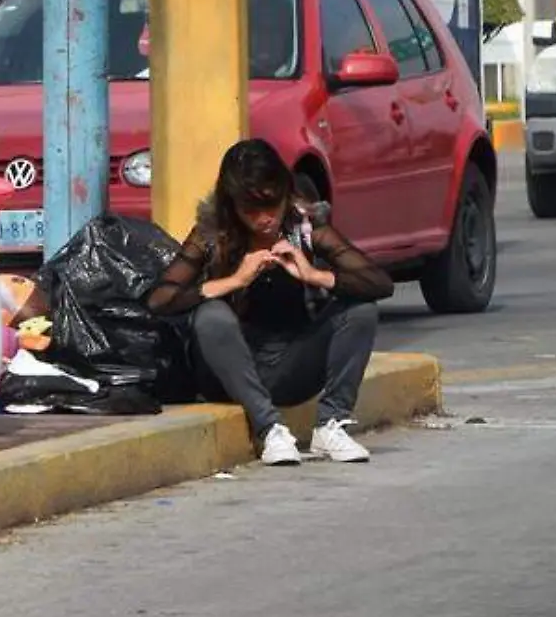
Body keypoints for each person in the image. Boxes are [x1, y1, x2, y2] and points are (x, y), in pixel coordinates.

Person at [146, 139, 392, 466]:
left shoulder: (303, 227)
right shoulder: (212, 234)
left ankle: (331, 424)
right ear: (232, 207)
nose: (265, 219)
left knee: (360, 308)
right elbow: (158, 300)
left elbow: (380, 283)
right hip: (228, 373)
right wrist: (232, 281)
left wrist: (313, 275)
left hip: (291, 365)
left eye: (271, 206)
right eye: (252, 211)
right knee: (211, 316)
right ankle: (269, 428)